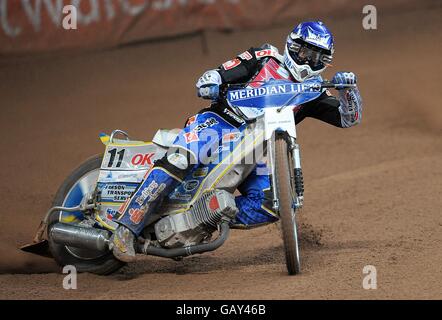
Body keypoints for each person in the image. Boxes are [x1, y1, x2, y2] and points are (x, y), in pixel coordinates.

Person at [109, 21, 363, 262]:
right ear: (291, 46)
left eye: (317, 57)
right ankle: (125, 228)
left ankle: (195, 222)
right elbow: (222, 72)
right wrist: (213, 80)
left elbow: (348, 118)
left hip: (257, 150)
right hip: (219, 122)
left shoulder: (313, 91)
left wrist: (348, 90)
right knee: (182, 156)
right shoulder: (265, 57)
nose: (309, 61)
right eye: (305, 52)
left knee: (270, 205)